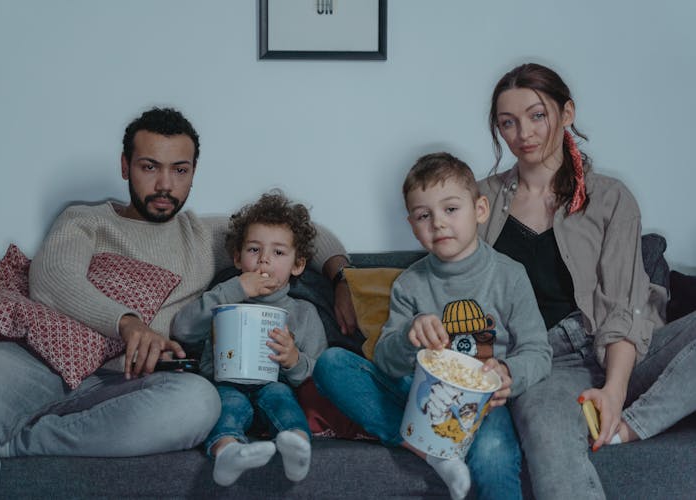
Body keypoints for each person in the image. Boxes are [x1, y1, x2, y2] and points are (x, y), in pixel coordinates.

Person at [0, 107, 353, 499]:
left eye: (180, 170)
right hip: (40, 357)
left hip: (131, 382)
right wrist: (128, 323)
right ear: (125, 167)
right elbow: (53, 279)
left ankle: (22, 441)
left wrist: (340, 279)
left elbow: (304, 233)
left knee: (199, 403)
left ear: (193, 173)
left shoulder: (206, 236)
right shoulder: (85, 221)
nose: (164, 185)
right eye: (149, 167)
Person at [479, 62, 696, 500]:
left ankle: (631, 426)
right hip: (544, 364)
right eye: (508, 122)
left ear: (568, 113)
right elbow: (450, 273)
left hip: (625, 348)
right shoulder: (478, 200)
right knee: (548, 440)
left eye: (537, 114)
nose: (524, 132)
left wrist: (615, 392)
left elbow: (623, 304)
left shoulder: (610, 197)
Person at [314, 152, 552, 500]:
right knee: (330, 364)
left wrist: (507, 372)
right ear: (412, 224)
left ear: (480, 210)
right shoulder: (410, 284)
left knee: (492, 456)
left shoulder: (509, 275)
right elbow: (385, 361)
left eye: (451, 209)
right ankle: (431, 451)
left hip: (481, 404)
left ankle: (437, 445)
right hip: (420, 395)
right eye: (424, 215)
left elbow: (538, 351)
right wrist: (410, 335)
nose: (438, 223)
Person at [172, 191, 326, 486]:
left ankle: (296, 445)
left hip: (275, 385)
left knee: (281, 399)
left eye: (278, 253)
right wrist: (233, 290)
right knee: (227, 405)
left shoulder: (303, 313)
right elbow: (183, 329)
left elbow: (318, 370)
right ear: (237, 258)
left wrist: (294, 360)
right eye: (254, 250)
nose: (264, 260)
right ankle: (227, 452)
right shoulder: (223, 300)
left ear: (298, 264)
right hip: (225, 385)